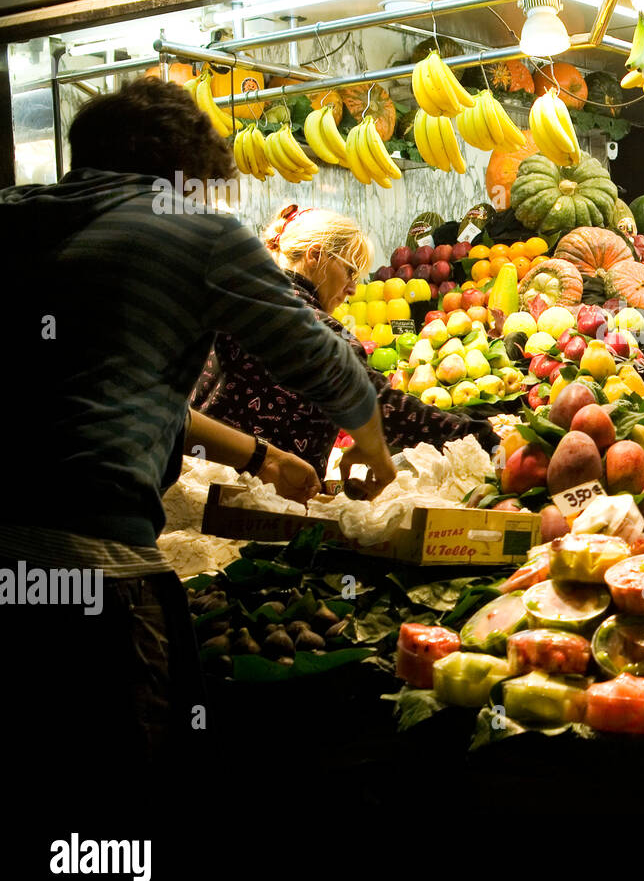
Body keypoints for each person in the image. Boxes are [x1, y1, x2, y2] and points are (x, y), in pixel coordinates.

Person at [0, 78, 396, 803]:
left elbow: (114, 385)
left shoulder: (18, 218)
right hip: (93, 571)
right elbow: (326, 365)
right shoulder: (193, 230)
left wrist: (260, 456)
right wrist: (372, 448)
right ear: (187, 169)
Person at [191, 204, 490, 478]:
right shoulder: (318, 330)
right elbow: (383, 409)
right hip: (255, 508)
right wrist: (478, 435)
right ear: (315, 254)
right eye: (349, 271)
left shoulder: (227, 303)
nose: (352, 289)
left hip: (188, 486)